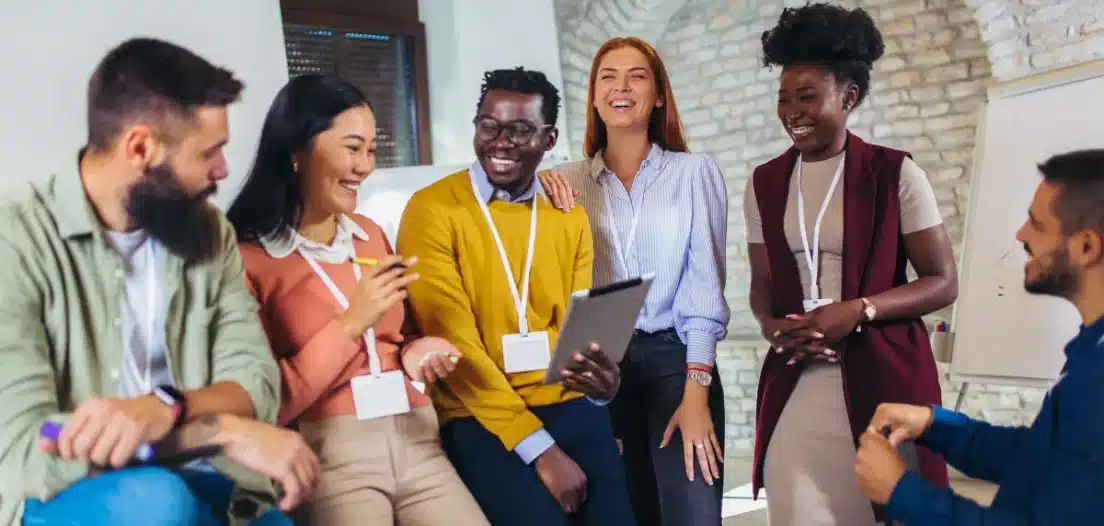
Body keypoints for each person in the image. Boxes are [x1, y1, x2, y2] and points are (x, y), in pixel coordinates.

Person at [0, 38, 320, 526]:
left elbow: (256, 382)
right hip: (65, 491)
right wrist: (220, 431)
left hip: (202, 479)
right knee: (159, 502)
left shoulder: (209, 232)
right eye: (209, 152)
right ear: (141, 148)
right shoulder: (14, 240)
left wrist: (166, 408)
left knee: (272, 520)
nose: (224, 170)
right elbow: (26, 443)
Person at [226, 74, 490, 526]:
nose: (365, 166)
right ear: (295, 152)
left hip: (417, 437)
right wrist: (351, 323)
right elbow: (266, 402)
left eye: (370, 150)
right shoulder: (249, 259)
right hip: (331, 456)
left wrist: (417, 352)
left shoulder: (369, 235)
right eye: (352, 148)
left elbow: (398, 337)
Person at [744, 4, 959, 524]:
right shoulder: (765, 182)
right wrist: (770, 323)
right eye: (784, 99)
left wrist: (858, 310)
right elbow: (762, 282)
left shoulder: (895, 173)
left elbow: (942, 281)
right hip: (799, 379)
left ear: (849, 96)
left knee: (888, 512)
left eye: (808, 97)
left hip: (884, 380)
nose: (792, 111)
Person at [396, 67, 634, 526]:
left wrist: (603, 388)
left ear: (548, 140)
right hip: (482, 418)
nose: (500, 142)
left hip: (571, 404)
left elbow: (575, 334)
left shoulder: (568, 216)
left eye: (520, 130)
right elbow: (457, 350)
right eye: (489, 125)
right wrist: (540, 449)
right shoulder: (432, 211)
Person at [539, 37, 729, 526]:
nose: (621, 87)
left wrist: (696, 391)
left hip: (675, 360)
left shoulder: (694, 173)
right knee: (618, 513)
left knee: (692, 513)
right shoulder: (562, 183)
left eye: (637, 76)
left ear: (659, 94)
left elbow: (705, 285)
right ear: (595, 96)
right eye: (608, 77)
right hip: (598, 358)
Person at [856, 149, 1104, 524]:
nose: (1020, 235)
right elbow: (1043, 459)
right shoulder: (1091, 348)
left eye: (1036, 224)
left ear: (1086, 247)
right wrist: (935, 424)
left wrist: (901, 492)